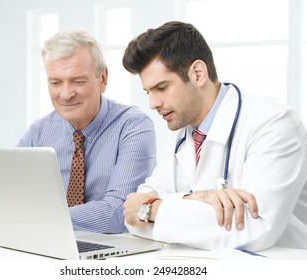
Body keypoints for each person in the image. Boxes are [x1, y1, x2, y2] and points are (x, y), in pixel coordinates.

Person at [122, 21, 307, 251]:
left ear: (198, 74)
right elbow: (132, 214)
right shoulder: (182, 130)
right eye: (148, 92)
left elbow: (253, 229)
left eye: (162, 87)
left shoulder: (274, 123)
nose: (152, 103)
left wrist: (154, 210)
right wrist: (195, 199)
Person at [0, 30, 156, 240]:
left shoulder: (133, 125)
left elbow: (117, 212)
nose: (65, 94)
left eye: (78, 81)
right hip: (46, 243)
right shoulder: (40, 131)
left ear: (103, 79)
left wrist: (31, 219)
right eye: (55, 82)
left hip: (113, 250)